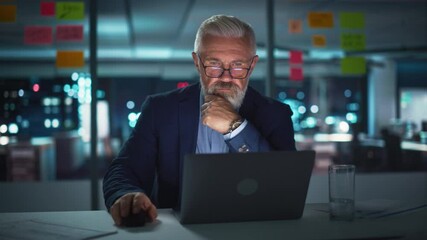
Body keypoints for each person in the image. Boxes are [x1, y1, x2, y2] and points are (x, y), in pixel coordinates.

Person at [103, 14, 296, 226]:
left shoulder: (276, 115)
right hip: (178, 232)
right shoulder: (160, 109)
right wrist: (126, 194)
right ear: (197, 62)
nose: (225, 77)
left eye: (238, 66)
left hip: (252, 230)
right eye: (214, 65)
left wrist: (236, 128)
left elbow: (284, 186)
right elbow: (125, 169)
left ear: (252, 66)